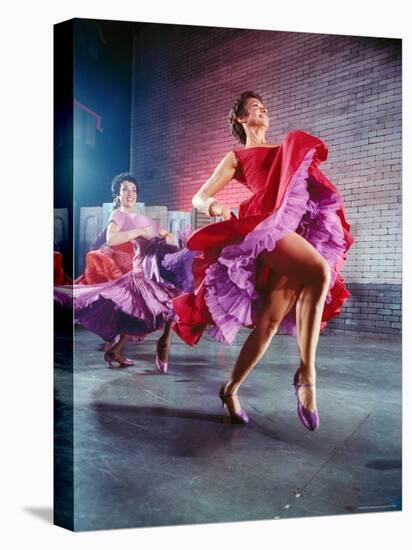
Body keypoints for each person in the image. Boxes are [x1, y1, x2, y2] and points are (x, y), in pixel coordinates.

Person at [173, 91, 354, 430]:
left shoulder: (286, 150)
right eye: (255, 107)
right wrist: (216, 208)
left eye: (264, 106)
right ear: (242, 118)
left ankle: (230, 389)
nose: (263, 109)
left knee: (269, 323)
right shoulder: (237, 157)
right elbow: (201, 196)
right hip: (264, 227)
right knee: (318, 272)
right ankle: (306, 373)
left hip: (294, 227)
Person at [55, 173, 194, 371]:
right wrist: (138, 232)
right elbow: (111, 239)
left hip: (156, 267)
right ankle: (163, 343)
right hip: (141, 272)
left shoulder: (142, 217)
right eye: (125, 189)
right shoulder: (118, 215)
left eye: (133, 190)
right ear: (117, 194)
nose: (130, 194)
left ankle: (117, 350)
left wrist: (169, 237)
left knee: (153, 306)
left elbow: (165, 234)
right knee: (154, 307)